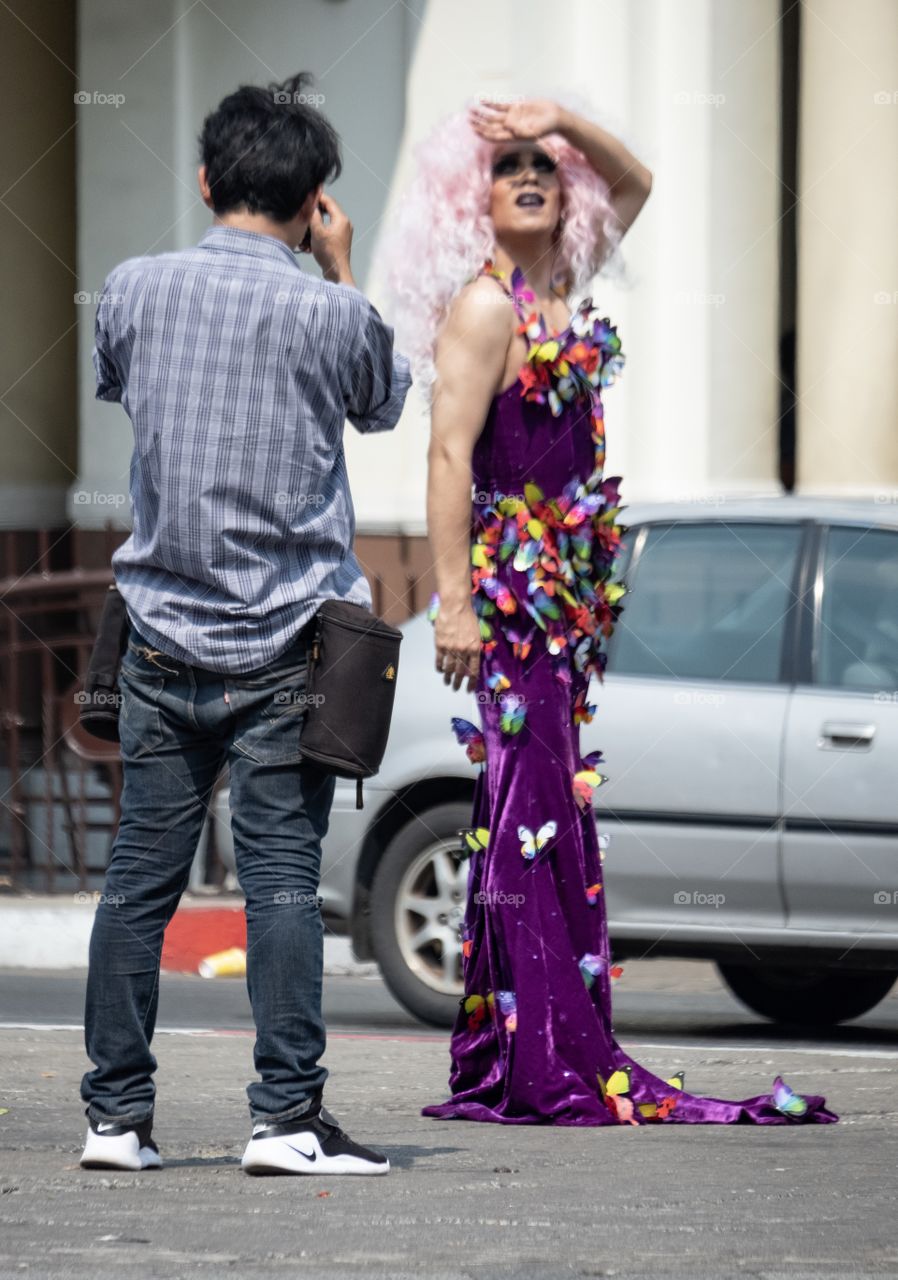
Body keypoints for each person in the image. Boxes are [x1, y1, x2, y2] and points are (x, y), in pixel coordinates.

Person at [383, 95, 839, 1127]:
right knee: (525, 814)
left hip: (566, 611)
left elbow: (634, 183)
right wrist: (453, 605)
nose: (533, 174)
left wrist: (564, 118)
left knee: (544, 818)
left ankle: (524, 1041)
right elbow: (448, 454)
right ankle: (531, 1054)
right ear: (478, 196)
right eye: (510, 165)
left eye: (546, 164)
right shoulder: (486, 308)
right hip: (509, 603)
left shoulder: (560, 284)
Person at [79, 72, 411, 1175]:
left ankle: (115, 1120)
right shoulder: (334, 312)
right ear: (316, 196)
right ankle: (283, 1118)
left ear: (207, 176)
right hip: (287, 650)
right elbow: (380, 400)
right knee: (279, 883)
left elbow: (120, 383)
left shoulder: (130, 287)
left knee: (138, 880)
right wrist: (342, 268)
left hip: (160, 631)